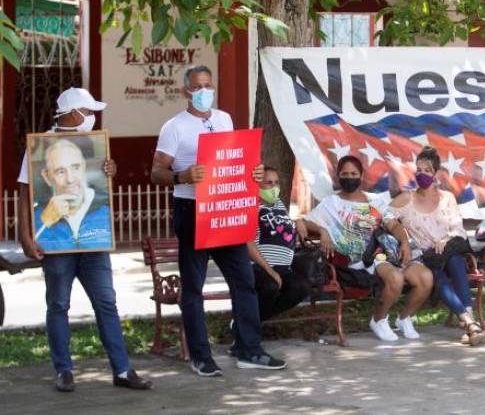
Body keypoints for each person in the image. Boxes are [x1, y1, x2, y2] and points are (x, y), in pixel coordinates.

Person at [151, 65, 285, 376]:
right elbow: (156, 171)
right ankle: (201, 356)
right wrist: (182, 175)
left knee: (244, 282)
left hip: (225, 211)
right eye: (198, 87)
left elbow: (235, 159)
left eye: (208, 85)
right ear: (186, 92)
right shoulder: (174, 127)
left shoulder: (224, 119)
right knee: (194, 288)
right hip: (192, 211)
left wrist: (252, 170)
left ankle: (249, 349)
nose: (204, 92)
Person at [18, 87, 152, 392]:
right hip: (56, 244)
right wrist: (25, 236)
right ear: (72, 112)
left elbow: (100, 188)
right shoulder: (39, 145)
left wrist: (109, 171)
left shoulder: (94, 145)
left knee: (107, 303)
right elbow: (25, 195)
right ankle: (63, 370)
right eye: (87, 111)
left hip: (94, 243)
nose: (91, 117)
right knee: (58, 304)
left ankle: (122, 369)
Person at [300, 155, 433, 342]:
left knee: (426, 278)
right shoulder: (331, 204)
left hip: (389, 250)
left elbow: (393, 225)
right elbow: (305, 223)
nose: (349, 177)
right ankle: (379, 319)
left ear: (361, 176)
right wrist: (322, 230)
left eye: (353, 173)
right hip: (364, 258)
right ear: (338, 177)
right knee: (395, 278)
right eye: (344, 174)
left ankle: (404, 319)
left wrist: (404, 242)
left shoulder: (375, 201)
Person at [388, 147, 485, 346]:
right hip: (425, 259)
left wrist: (445, 239)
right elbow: (384, 218)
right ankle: (471, 324)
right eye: (418, 169)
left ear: (435, 174)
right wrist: (402, 238)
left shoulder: (447, 198)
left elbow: (458, 230)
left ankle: (469, 324)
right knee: (439, 276)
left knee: (454, 259)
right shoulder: (406, 198)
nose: (422, 174)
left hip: (448, 251)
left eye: (427, 170)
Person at [234, 167, 310, 352]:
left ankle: (242, 325)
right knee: (270, 286)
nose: (273, 187)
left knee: (301, 287)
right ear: (257, 184)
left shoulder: (278, 204)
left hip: (283, 267)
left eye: (276, 183)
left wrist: (298, 221)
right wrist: (270, 271)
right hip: (258, 267)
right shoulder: (250, 205)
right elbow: (247, 243)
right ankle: (245, 335)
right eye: (268, 183)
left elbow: (283, 226)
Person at [33, 138, 112, 252]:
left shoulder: (105, 204)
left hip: (94, 261)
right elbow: (35, 247)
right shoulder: (39, 214)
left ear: (84, 168)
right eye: (60, 171)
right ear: (47, 177)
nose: (70, 179)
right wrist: (45, 221)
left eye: (75, 168)